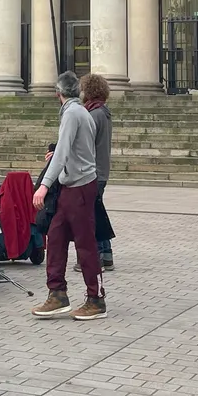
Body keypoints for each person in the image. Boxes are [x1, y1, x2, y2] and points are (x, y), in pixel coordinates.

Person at [32, 71, 105, 321]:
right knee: (56, 236)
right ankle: (57, 293)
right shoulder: (79, 112)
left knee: (84, 242)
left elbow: (63, 151)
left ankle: (95, 298)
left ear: (58, 93)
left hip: (80, 186)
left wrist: (43, 185)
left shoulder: (73, 113)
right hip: (72, 184)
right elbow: (74, 150)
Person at [80, 73, 115, 271]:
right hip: (100, 170)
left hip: (92, 171)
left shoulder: (93, 114)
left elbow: (85, 144)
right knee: (97, 212)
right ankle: (106, 255)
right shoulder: (103, 111)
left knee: (91, 215)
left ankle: (99, 257)